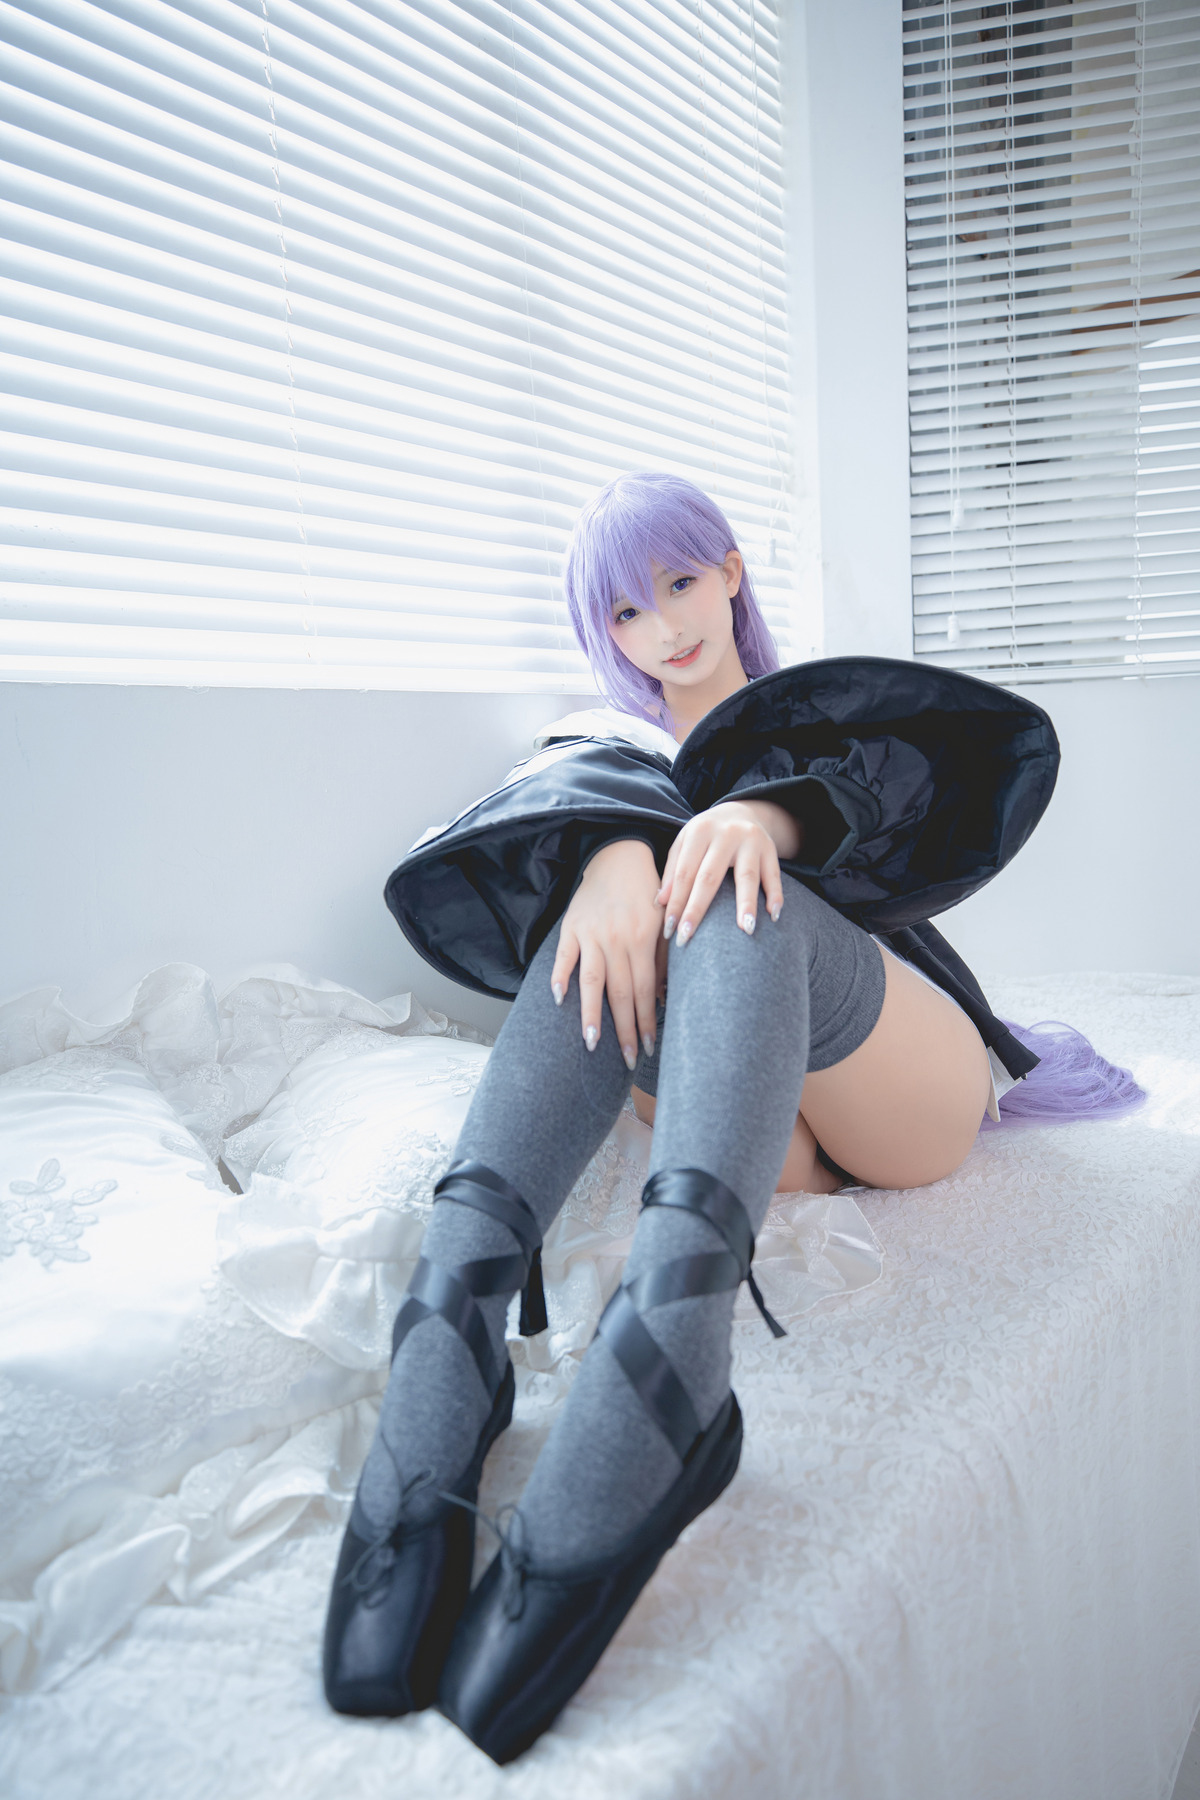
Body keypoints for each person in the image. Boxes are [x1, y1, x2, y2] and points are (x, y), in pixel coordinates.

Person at [321, 472, 1135, 1764]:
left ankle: (668, 1350)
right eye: (627, 612)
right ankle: (452, 1330)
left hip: (898, 1079)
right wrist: (606, 859)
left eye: (682, 584)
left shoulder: (821, 710)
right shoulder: (591, 741)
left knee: (736, 892)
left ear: (733, 572)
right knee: (611, 920)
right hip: (769, 1130)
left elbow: (919, 792)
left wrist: (761, 813)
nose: (664, 628)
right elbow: (569, 809)